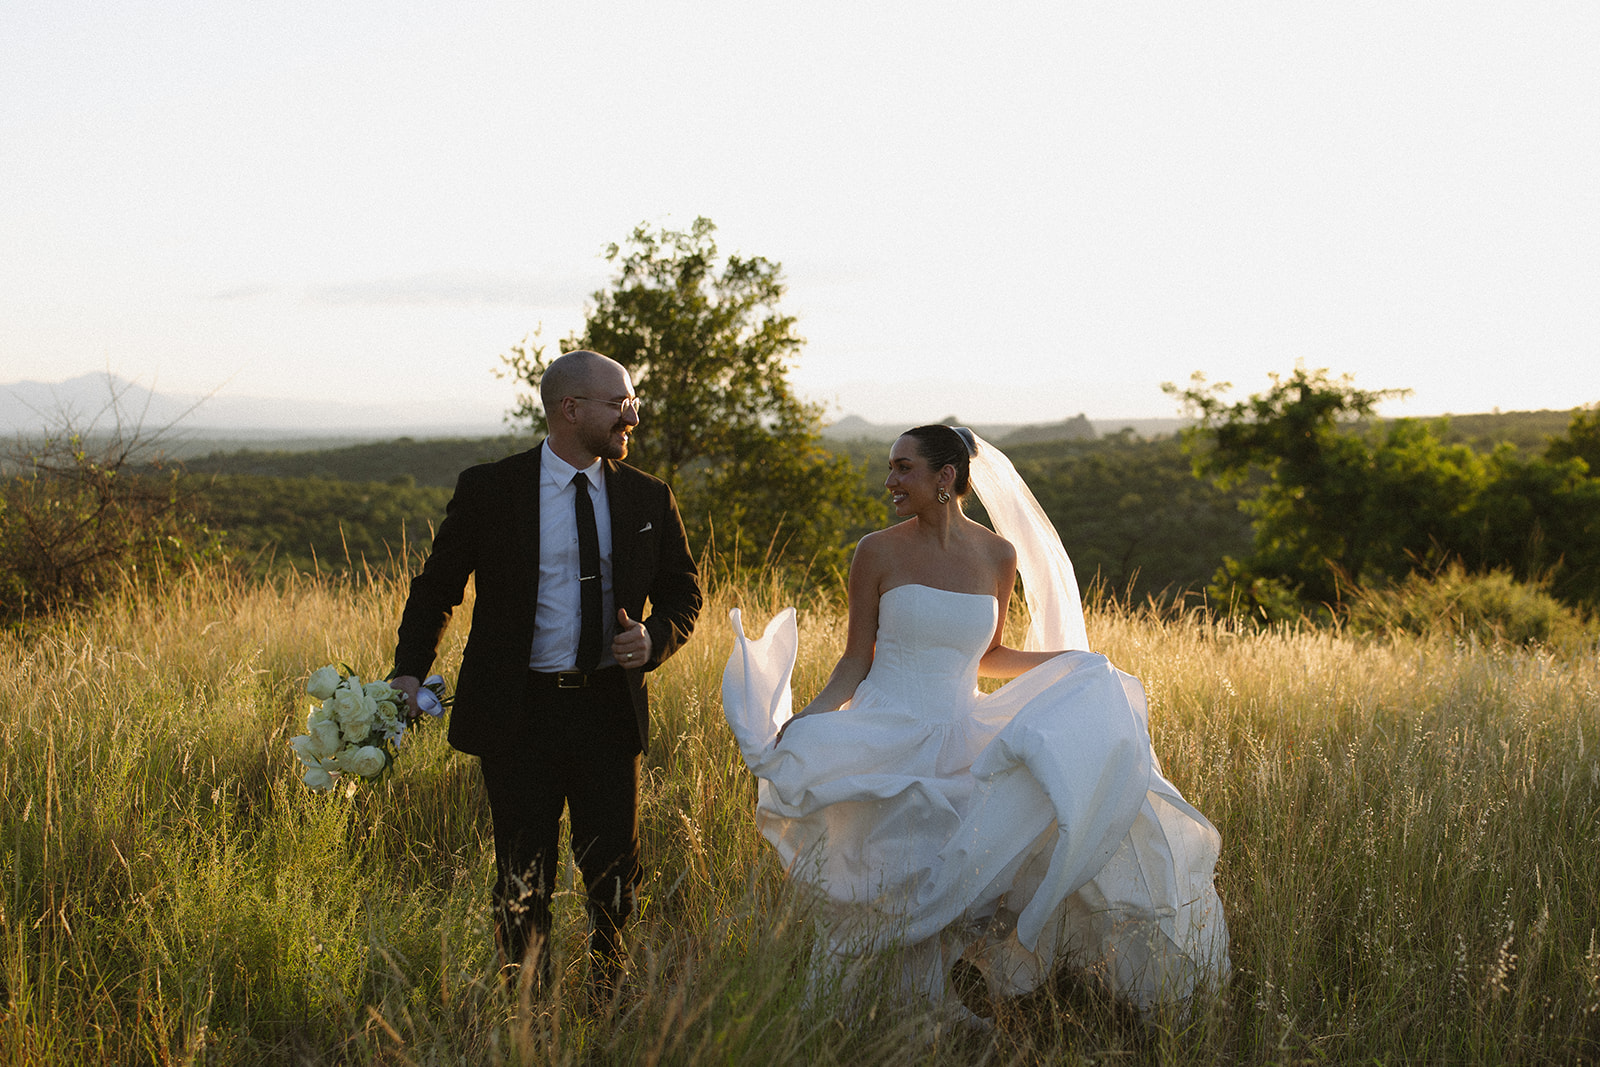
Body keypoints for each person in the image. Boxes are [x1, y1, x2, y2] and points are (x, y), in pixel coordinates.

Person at [722, 424, 1229, 1018]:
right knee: (887, 885)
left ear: (945, 477)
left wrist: (1073, 663)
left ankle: (936, 1014)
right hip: (887, 734)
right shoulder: (877, 551)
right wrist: (808, 720)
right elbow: (856, 658)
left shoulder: (997, 554)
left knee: (952, 884)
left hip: (962, 738)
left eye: (902, 468)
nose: (889, 480)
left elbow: (988, 656)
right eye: (889, 467)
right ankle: (857, 1018)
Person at [391, 350, 702, 1000]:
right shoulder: (490, 489)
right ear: (571, 409)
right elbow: (437, 588)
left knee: (614, 877)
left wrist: (653, 639)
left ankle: (605, 999)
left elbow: (684, 593)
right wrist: (407, 672)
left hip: (607, 714)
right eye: (620, 402)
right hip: (518, 714)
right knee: (520, 878)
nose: (633, 414)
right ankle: (527, 1013)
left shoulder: (648, 496)